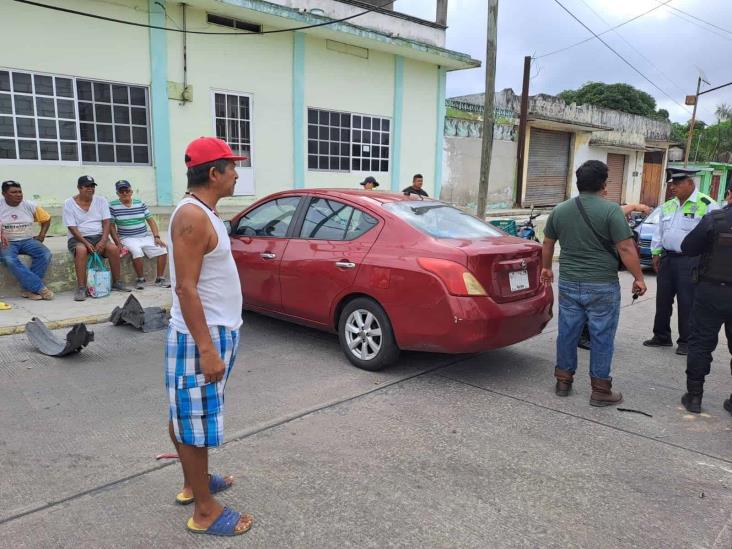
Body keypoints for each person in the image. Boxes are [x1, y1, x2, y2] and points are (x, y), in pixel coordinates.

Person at [165, 137, 253, 537]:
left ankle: (192, 482)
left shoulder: (205, 212)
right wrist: (207, 349)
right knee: (194, 420)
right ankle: (205, 510)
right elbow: (186, 288)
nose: (237, 173)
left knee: (187, 413)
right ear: (213, 173)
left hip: (216, 331)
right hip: (202, 336)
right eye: (231, 167)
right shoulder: (193, 217)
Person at [541, 160, 647, 406]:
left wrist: (546, 268)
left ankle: (563, 381)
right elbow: (625, 247)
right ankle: (600, 389)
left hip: (569, 282)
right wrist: (639, 278)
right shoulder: (611, 211)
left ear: (578, 183)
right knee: (602, 335)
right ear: (603, 184)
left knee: (567, 332)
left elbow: (547, 243)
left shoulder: (560, 210)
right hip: (601, 284)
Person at [643, 168, 719, 355]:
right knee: (663, 300)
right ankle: (661, 336)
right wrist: (656, 253)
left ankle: (686, 341)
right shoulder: (668, 205)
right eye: (671, 184)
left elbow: (715, 236)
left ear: (690, 183)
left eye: (677, 184)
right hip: (667, 258)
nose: (673, 188)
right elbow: (659, 232)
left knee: (688, 302)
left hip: (691, 261)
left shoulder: (707, 205)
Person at [679, 185, 732, 415]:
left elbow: (688, 247)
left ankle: (694, 397)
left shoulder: (715, 219)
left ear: (730, 193)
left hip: (710, 291)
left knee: (700, 344)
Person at [577, 202, 652, 349]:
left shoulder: (582, 209)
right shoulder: (604, 212)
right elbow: (625, 248)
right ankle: (585, 336)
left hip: (587, 268)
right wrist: (639, 278)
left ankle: (583, 336)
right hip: (595, 269)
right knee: (593, 305)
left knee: (586, 304)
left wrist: (637, 207)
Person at [63, 176, 131, 301]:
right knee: (82, 250)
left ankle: (117, 282)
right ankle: (81, 288)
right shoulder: (69, 203)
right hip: (79, 238)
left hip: (99, 236)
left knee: (113, 249)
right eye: (87, 186)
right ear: (79, 188)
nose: (90, 189)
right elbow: (72, 227)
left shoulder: (101, 200)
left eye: (92, 186)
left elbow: (106, 222)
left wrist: (104, 240)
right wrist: (85, 243)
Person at [109, 180, 170, 290]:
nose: (124, 193)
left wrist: (156, 237)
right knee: (137, 251)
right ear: (117, 193)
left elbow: (151, 221)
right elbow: (111, 226)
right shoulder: (113, 206)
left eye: (127, 191)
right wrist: (118, 242)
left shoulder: (140, 203)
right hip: (127, 238)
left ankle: (160, 278)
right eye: (121, 191)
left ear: (131, 192)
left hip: (144, 236)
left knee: (163, 249)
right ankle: (140, 279)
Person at [0, 180, 54, 300]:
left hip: (27, 240)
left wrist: (42, 235)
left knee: (45, 254)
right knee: (9, 260)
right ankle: (40, 288)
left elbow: (46, 218)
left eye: (20, 191)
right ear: (4, 194)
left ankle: (28, 290)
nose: (18, 194)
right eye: (14, 192)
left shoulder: (29, 205)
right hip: (8, 242)